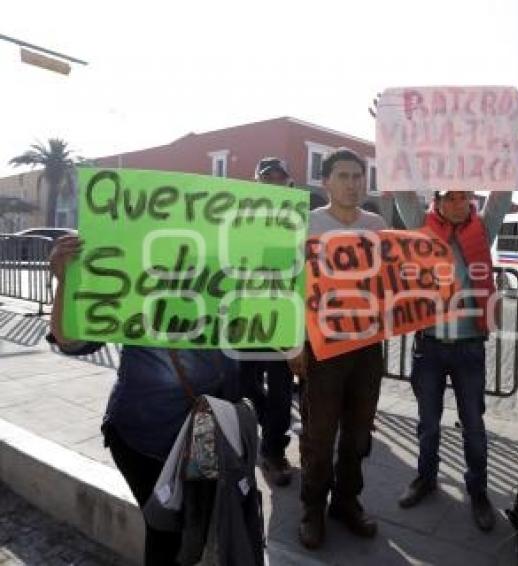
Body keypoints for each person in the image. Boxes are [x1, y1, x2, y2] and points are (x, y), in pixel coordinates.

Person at [48, 235, 242, 566]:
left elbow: (272, 337)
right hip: (144, 438)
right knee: (165, 532)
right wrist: (65, 280)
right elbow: (70, 339)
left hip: (206, 434)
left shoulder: (229, 281)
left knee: (192, 529)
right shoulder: (133, 281)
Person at [392, 188, 511, 532]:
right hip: (429, 346)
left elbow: (501, 194)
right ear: (438, 201)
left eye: (465, 198)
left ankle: (478, 492)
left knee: (473, 425)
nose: (459, 205)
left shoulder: (484, 229)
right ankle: (425, 479)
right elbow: (403, 193)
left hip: (469, 347)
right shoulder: (422, 226)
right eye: (451, 198)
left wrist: (509, 146)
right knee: (427, 423)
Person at [287, 148, 387, 550]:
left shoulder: (378, 225)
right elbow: (291, 288)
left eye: (358, 176)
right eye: (343, 176)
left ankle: (347, 501)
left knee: (358, 432)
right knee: (319, 433)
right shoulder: (306, 226)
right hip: (321, 348)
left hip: (367, 347)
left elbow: (390, 283)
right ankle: (313, 507)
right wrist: (293, 347)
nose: (352, 183)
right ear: (326, 181)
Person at [239, 157, 297, 486]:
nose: (274, 181)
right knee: (243, 383)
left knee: (280, 391)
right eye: (268, 177)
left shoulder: (299, 217)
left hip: (283, 317)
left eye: (280, 177)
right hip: (246, 315)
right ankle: (269, 425)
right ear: (257, 181)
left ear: (288, 182)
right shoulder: (242, 215)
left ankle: (274, 451)